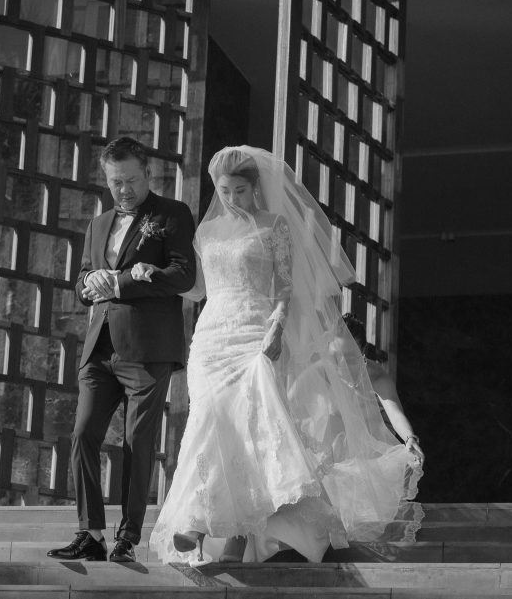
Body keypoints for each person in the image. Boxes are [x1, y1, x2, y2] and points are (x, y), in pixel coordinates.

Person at [138, 146, 423, 565]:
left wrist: (276, 326)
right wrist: (153, 271)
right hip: (212, 338)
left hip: (256, 333)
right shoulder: (208, 232)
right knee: (210, 418)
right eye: (225, 190)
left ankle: (206, 528)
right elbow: (197, 288)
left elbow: (285, 287)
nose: (232, 198)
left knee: (247, 432)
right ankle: (210, 526)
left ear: (255, 188)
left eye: (240, 190)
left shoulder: (274, 226)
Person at [46, 136, 197, 563]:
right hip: (99, 351)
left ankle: (127, 539)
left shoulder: (172, 215)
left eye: (131, 180)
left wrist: (126, 280)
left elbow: (183, 276)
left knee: (137, 441)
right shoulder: (97, 224)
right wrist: (88, 284)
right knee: (82, 435)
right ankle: (90, 533)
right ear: (107, 180)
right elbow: (80, 282)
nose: (125, 190)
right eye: (116, 183)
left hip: (147, 351)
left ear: (147, 173)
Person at [340, 312, 424, 466]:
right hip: (336, 456)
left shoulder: (378, 377)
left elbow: (395, 414)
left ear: (363, 351)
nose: (342, 365)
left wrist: (410, 438)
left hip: (374, 459)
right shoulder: (320, 371)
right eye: (336, 357)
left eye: (350, 358)